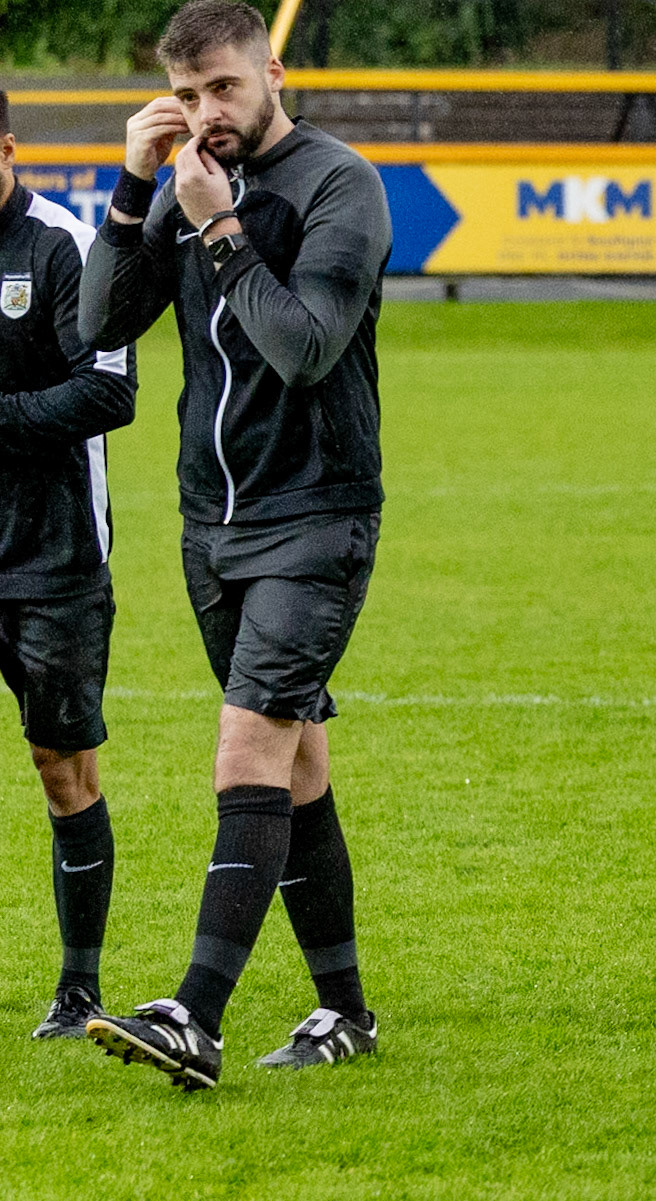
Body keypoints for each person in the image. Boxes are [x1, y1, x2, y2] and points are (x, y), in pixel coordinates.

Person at [77, 0, 391, 1091]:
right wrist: (132, 190)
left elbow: (305, 349)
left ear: (270, 73)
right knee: (295, 762)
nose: (207, 113)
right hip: (211, 523)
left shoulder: (338, 184)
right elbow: (100, 328)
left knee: (247, 748)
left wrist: (220, 227)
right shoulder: (184, 181)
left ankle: (192, 1016)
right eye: (189, 93)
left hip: (317, 513)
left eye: (225, 88)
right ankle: (344, 1010)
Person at [0, 92, 138, 1041]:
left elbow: (110, 388)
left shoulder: (62, 245)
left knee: (63, 767)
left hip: (53, 557)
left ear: (7, 147)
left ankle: (78, 987)